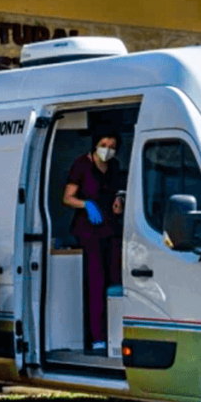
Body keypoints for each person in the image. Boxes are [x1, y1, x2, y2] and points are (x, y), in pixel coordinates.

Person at [62, 130, 125, 354]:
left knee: (114, 280)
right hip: (88, 232)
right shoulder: (81, 165)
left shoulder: (114, 166)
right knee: (95, 283)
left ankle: (113, 334)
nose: (107, 149)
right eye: (103, 143)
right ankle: (96, 337)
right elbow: (67, 197)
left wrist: (119, 199)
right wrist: (86, 205)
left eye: (112, 145)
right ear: (95, 145)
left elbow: (117, 189)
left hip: (110, 229)